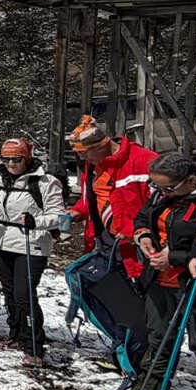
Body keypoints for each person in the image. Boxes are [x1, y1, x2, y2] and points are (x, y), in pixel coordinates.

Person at [0, 138, 65, 367]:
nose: (11, 164)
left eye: (16, 159)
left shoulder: (45, 182)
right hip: (2, 241)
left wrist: (36, 220)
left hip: (31, 244)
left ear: (26, 158)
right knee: (9, 292)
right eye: (6, 159)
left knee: (24, 294)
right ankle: (16, 334)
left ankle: (34, 344)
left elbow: (62, 218)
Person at [132, 152, 196, 390]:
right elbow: (143, 217)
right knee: (159, 336)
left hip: (195, 284)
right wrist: (143, 236)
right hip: (159, 277)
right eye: (156, 186)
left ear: (190, 181)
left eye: (168, 187)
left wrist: (173, 257)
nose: (161, 192)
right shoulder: (161, 196)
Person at [66, 115, 156, 280]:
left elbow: (161, 206)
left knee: (137, 298)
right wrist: (78, 211)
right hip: (104, 242)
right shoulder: (93, 165)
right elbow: (93, 197)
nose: (82, 159)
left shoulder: (144, 161)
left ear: (101, 146)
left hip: (137, 245)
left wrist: (136, 230)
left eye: (84, 154)